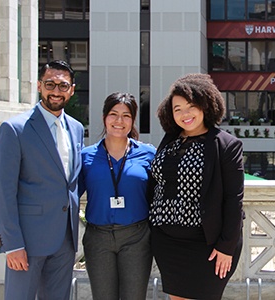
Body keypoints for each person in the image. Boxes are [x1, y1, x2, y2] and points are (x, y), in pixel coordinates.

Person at [0, 60, 84, 300]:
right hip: (27, 242)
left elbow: (71, 181)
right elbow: (4, 191)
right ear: (39, 86)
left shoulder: (75, 128)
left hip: (65, 240)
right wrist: (12, 244)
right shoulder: (14, 129)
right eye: (50, 84)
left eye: (63, 86)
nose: (56, 91)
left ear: (72, 89)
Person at [149, 73, 245, 300]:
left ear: (205, 105)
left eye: (191, 106)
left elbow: (234, 199)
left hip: (208, 246)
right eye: (177, 109)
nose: (185, 114)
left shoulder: (226, 145)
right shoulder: (169, 140)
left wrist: (226, 246)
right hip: (167, 243)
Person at [78, 92, 155, 300]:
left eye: (126, 115)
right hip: (98, 238)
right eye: (113, 114)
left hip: (137, 238)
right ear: (104, 118)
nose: (119, 121)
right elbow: (70, 196)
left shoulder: (148, 154)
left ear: (133, 120)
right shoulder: (86, 156)